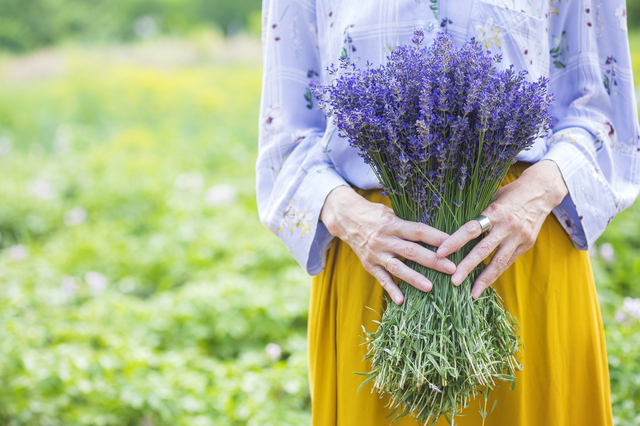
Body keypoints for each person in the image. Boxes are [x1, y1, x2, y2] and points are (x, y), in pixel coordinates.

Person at [256, 1, 639, 425]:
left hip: (518, 241)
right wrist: (351, 217)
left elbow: (603, 106)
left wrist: (538, 192)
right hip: (377, 255)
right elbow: (286, 132)